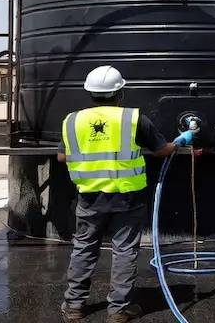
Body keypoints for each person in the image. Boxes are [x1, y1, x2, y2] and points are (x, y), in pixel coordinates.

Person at [58, 65, 195, 322]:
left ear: (89, 93)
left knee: (84, 249)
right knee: (124, 251)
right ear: (121, 92)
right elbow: (162, 150)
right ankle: (119, 310)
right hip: (128, 198)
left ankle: (74, 305)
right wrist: (182, 140)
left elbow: (62, 157)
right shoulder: (133, 119)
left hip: (89, 197)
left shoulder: (72, 120)